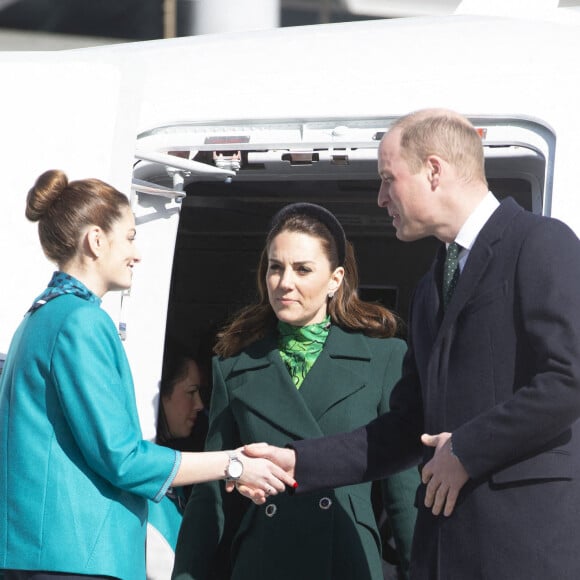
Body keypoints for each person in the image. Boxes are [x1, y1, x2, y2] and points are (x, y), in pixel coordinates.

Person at [241, 109, 580, 580]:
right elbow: (404, 428)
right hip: (443, 554)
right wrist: (299, 461)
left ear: (434, 170)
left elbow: (569, 379)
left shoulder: (542, 243)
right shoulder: (429, 288)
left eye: (387, 179)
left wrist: (467, 448)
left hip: (522, 551)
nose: (380, 198)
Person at [0, 169, 294, 580]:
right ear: (96, 241)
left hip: (40, 555)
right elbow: (123, 458)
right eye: (131, 237)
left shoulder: (39, 318)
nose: (137, 254)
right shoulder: (82, 322)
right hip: (80, 559)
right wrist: (233, 464)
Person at [172, 202, 419, 580]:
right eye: (276, 267)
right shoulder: (235, 364)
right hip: (263, 561)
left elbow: (403, 493)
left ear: (335, 279)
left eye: (302, 269)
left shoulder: (384, 358)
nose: (284, 282)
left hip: (345, 561)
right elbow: (212, 500)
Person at [147, 348, 210, 579]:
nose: (199, 404)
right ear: (161, 394)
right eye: (191, 392)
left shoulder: (174, 459)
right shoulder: (140, 468)